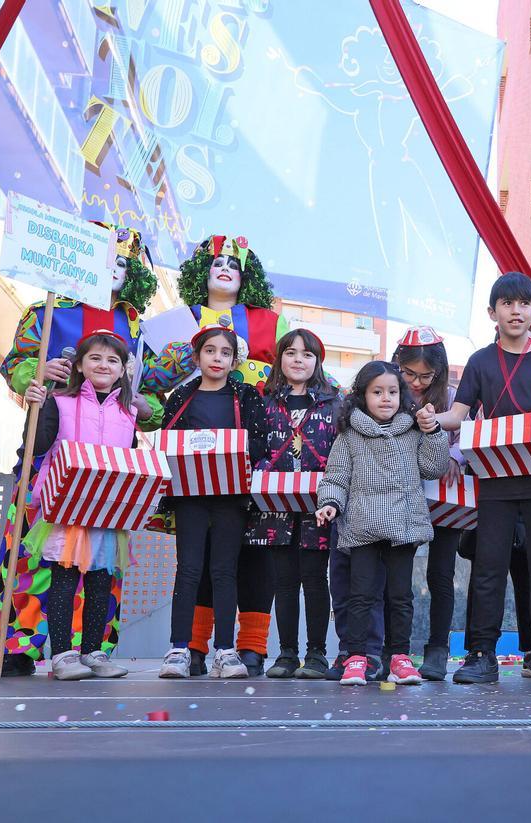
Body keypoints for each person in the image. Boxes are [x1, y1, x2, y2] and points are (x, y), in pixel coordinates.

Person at [0, 226, 168, 675]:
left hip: (108, 479)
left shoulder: (138, 325)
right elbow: (14, 366)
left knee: (102, 570)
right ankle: (16, 646)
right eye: (104, 260)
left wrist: (147, 409)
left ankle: (95, 649)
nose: (112, 270)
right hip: (51, 467)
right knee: (33, 564)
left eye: (122, 263)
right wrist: (38, 370)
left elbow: (151, 396)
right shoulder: (45, 311)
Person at [433, 273, 531, 685]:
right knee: (488, 569)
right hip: (493, 479)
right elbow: (457, 416)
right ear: (492, 312)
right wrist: (430, 419)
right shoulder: (480, 361)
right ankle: (481, 655)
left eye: (524, 304)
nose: (517, 311)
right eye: (507, 304)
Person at [177, 235, 288, 676]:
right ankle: (193, 646)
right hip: (193, 461)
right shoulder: (173, 321)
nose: (224, 268)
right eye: (216, 261)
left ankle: (252, 647)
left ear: (247, 277)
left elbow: (300, 367)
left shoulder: (271, 322)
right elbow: (148, 387)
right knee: (199, 558)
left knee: (256, 550)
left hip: (258, 454)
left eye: (234, 263)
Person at [21, 331, 147, 680]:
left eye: (112, 360)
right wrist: (36, 405)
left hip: (107, 509)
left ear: (123, 369)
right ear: (79, 364)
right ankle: (62, 655)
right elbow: (37, 445)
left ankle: (94, 651)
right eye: (95, 358)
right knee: (63, 581)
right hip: (67, 506)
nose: (103, 365)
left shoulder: (129, 413)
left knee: (100, 582)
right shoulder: (59, 401)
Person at [316, 361, 449, 686]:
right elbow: (336, 476)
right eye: (377, 392)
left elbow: (434, 467)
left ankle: (400, 657)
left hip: (402, 526)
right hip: (362, 526)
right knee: (360, 595)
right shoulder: (350, 436)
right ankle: (357, 657)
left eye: (392, 391)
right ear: (362, 396)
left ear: (401, 395)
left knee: (400, 596)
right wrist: (330, 504)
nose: (386, 398)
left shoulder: (411, 429)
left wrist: (433, 431)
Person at [159, 325, 267, 679]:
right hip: (190, 497)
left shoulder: (247, 396)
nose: (217, 358)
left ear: (235, 359)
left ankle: (226, 651)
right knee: (188, 569)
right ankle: (179, 649)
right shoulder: (180, 397)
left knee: (224, 571)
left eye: (224, 352)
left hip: (231, 498)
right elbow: (168, 443)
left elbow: (259, 444)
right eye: (210, 351)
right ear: (197, 357)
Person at [248, 330, 340, 680]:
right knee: (283, 580)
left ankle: (316, 653)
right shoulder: (264, 401)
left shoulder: (334, 404)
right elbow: (253, 447)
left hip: (320, 505)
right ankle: (286, 654)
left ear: (318, 361)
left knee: (315, 578)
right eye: (290, 352)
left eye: (307, 354)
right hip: (273, 506)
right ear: (279, 357)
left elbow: (341, 451)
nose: (298, 359)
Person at [392, 325, 463, 681]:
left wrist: (454, 456)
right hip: (400, 498)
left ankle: (437, 650)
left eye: (425, 376)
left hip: (445, 500)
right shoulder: (389, 395)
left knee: (440, 574)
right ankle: (396, 651)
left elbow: (469, 434)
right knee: (398, 575)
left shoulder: (452, 397)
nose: (417, 383)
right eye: (409, 374)